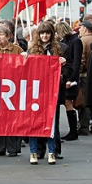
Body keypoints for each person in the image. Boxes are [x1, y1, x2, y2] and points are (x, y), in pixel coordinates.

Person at [27, 21, 67, 165]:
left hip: (52, 92)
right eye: (42, 33)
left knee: (51, 122)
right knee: (33, 123)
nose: (44, 36)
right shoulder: (32, 50)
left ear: (52, 34)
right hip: (36, 92)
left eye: (47, 33)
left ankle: (52, 151)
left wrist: (62, 66)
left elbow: (67, 71)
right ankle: (34, 152)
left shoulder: (59, 49)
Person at [0, 25, 24, 157]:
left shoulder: (17, 50)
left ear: (8, 36)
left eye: (1, 34)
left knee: (13, 117)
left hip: (13, 87)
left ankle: (13, 147)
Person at [55, 22, 83, 141]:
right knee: (67, 102)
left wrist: (72, 78)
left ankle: (73, 130)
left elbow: (76, 61)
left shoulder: (75, 41)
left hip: (70, 75)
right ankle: (73, 130)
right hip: (66, 73)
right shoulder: (67, 41)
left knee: (68, 102)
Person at [77, 21, 92, 135]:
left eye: (81, 28)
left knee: (84, 102)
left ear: (85, 29)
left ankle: (84, 126)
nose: (79, 30)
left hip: (85, 74)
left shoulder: (82, 41)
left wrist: (78, 73)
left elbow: (82, 59)